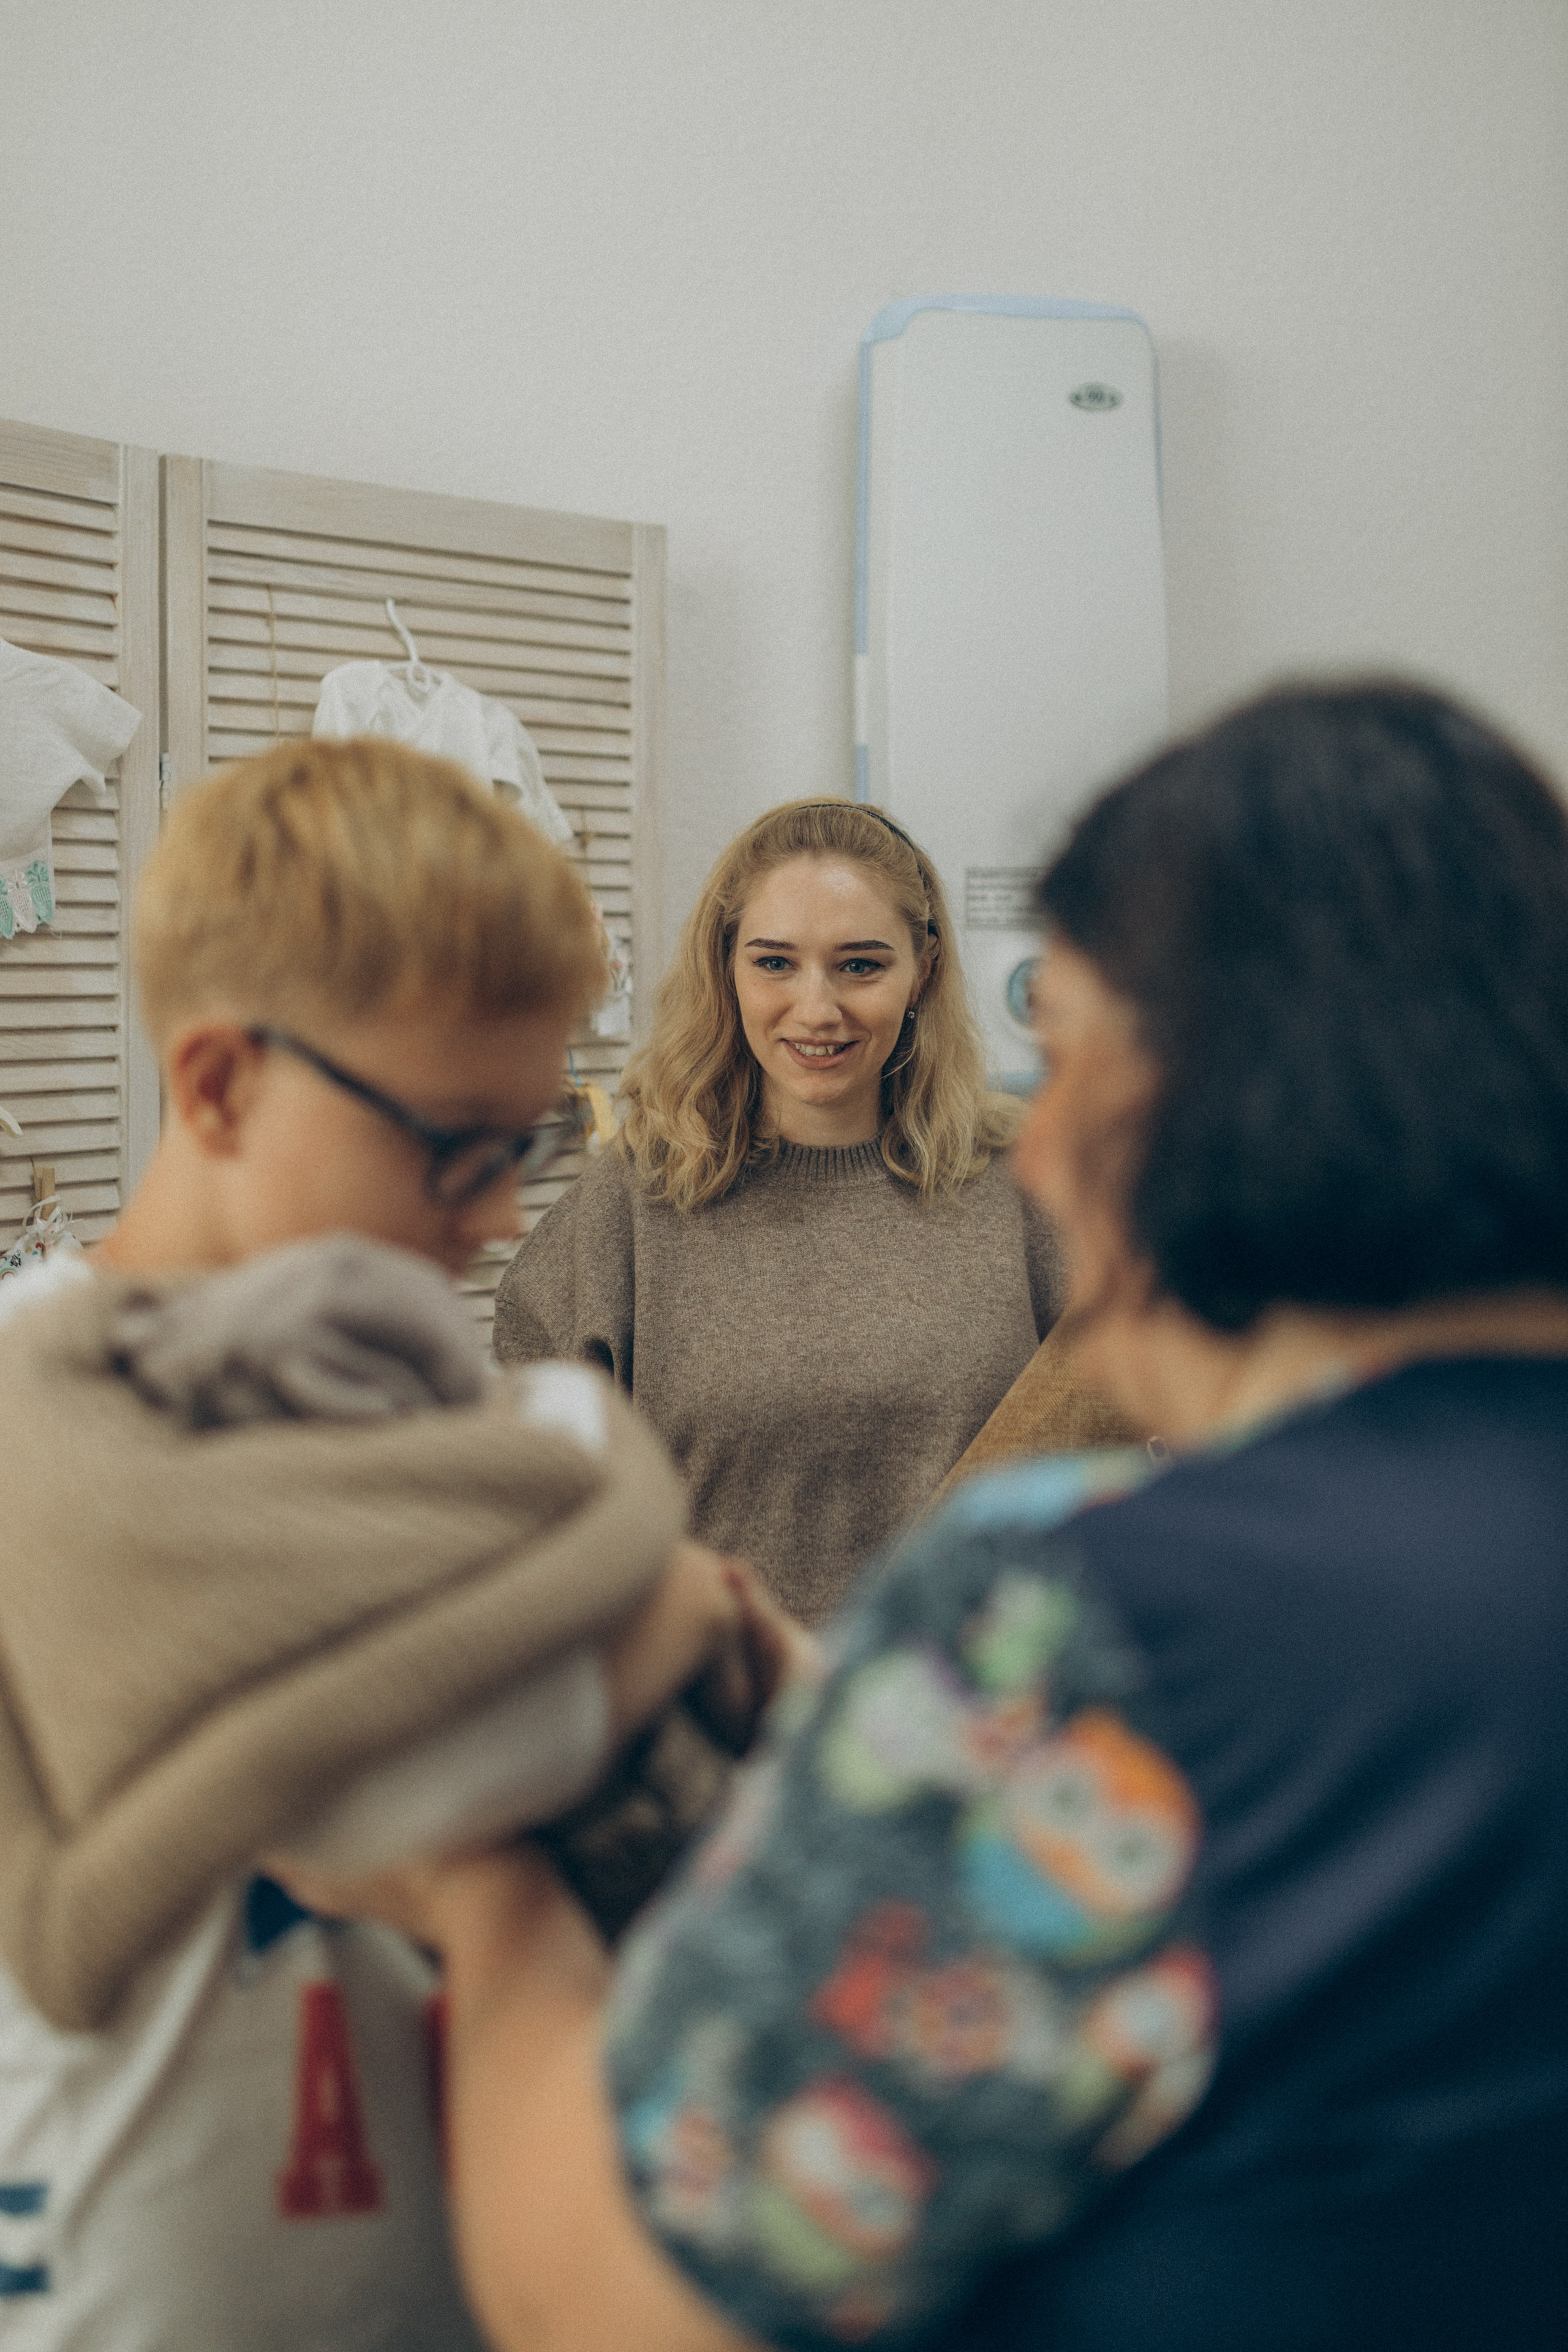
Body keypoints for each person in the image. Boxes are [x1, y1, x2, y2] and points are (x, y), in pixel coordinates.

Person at [293, 680, 1568, 2351]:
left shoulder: (1070, 1624)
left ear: (1222, 1099)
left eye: (1081, 1059)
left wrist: (475, 1879)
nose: (1042, 1163)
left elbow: (629, 2306)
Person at [0, 736, 757, 2352]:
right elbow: (442, 1756)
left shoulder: (405, 1407)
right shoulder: (34, 1416)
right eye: (454, 1145)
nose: (495, 1221)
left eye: (532, 1145)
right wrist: (666, 1611)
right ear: (218, 1084)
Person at [494, 797, 1085, 1624]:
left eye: (860, 966)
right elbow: (539, 1517)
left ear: (925, 971)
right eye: (775, 964)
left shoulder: (1031, 1187)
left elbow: (1130, 1454)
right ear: (725, 968)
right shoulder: (633, 1203)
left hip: (975, 1724)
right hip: (717, 1728)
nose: (817, 1010)